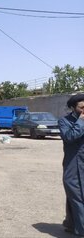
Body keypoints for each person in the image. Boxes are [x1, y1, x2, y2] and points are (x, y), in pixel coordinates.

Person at [59, 93, 84, 236]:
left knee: (74, 197)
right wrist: (80, 122)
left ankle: (71, 223)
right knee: (77, 196)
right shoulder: (64, 121)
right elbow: (69, 137)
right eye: (82, 107)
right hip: (72, 165)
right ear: (74, 108)